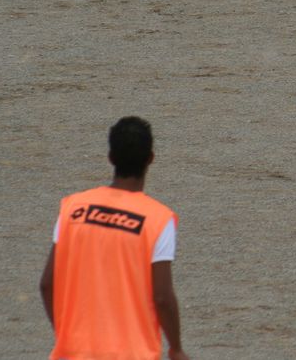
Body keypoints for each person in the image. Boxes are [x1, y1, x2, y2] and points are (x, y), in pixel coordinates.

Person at [39, 116, 189, 360]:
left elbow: (47, 284)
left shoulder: (72, 208)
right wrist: (176, 348)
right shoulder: (159, 219)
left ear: (110, 158)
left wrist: (67, 335)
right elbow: (162, 297)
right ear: (150, 158)